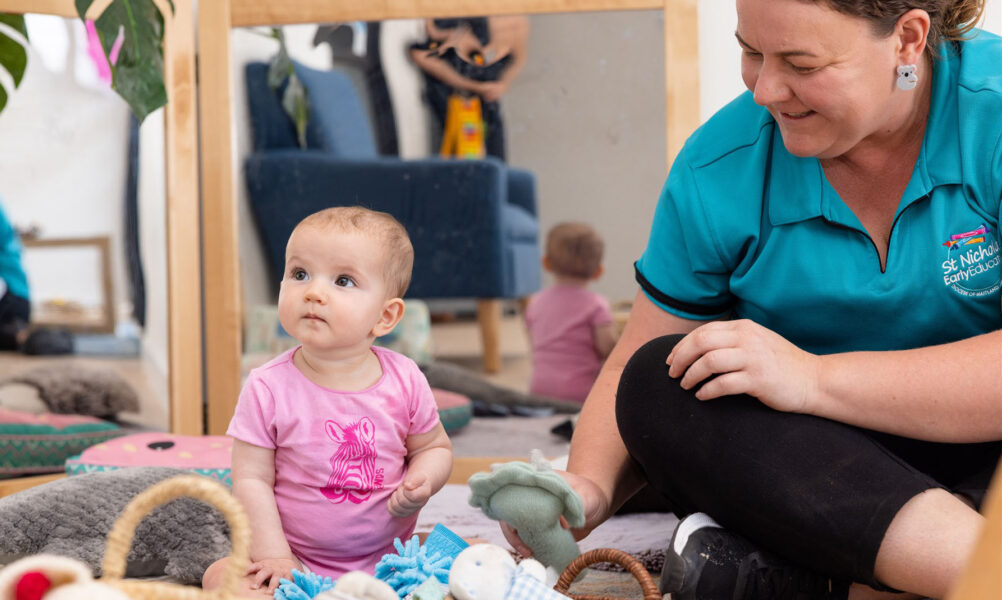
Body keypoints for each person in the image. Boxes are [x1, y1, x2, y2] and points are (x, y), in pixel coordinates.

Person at [501, 2, 1001, 599]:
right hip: (825, 467)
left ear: (907, 40)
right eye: (751, 52)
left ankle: (849, 576)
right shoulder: (718, 166)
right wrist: (586, 487)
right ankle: (958, 567)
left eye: (800, 62)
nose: (766, 89)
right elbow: (635, 360)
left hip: (977, 440)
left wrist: (813, 378)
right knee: (657, 384)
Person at [202, 207, 454, 597]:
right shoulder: (267, 386)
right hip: (297, 559)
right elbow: (251, 478)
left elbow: (434, 446)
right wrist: (274, 557)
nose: (314, 292)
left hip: (394, 558)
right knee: (221, 577)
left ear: (385, 317)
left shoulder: (405, 379)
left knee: (471, 559)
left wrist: (425, 479)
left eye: (343, 280)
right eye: (300, 274)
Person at [409, 16, 530, 160]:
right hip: (452, 102)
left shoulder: (513, 21)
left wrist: (502, 84)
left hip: (485, 104)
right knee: (457, 160)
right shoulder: (450, 21)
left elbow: (518, 57)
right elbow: (421, 54)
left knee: (491, 162)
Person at [525, 222, 618, 403]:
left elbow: (533, 341)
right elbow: (607, 347)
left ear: (546, 263)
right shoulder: (596, 304)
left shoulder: (535, 302)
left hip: (538, 389)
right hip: (580, 393)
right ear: (599, 271)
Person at [0, 192, 72, 355]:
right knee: (6, 335)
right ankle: (19, 336)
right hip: (9, 304)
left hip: (9, 294)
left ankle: (22, 336)